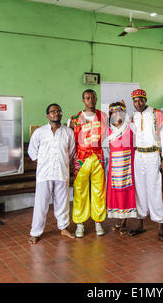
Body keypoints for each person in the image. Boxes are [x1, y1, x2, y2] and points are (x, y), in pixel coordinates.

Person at [27, 103, 76, 244]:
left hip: (61, 171)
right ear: (47, 115)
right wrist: (39, 162)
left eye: (58, 111)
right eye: (53, 111)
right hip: (44, 173)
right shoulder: (40, 132)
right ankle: (35, 232)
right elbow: (32, 150)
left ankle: (64, 227)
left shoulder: (68, 132)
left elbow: (72, 151)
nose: (56, 113)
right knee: (41, 204)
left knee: (63, 202)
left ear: (61, 114)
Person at [129, 89, 163, 242]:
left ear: (145, 100)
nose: (137, 104)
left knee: (154, 189)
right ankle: (141, 222)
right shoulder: (134, 116)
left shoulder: (156, 114)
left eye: (140, 100)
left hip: (153, 155)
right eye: (135, 101)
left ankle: (160, 225)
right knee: (140, 189)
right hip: (138, 155)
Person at [69, 89, 108, 238]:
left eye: (93, 97)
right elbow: (71, 142)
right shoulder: (75, 119)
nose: (90, 100)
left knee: (99, 190)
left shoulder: (103, 117)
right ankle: (80, 224)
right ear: (83, 100)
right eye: (87, 98)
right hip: (81, 158)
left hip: (98, 156)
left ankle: (98, 221)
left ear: (96, 98)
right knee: (80, 190)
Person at [104, 101, 138, 234]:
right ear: (110, 114)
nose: (117, 114)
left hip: (129, 163)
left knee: (127, 190)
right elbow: (106, 147)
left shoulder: (131, 127)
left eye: (120, 112)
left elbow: (136, 143)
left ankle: (125, 220)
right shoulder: (108, 129)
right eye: (114, 112)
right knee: (116, 190)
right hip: (115, 165)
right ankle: (119, 217)